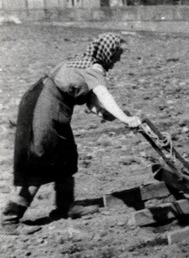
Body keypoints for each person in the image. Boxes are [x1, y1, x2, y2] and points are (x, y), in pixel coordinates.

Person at [1, 32, 141, 234]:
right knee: (38, 160)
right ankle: (9, 221)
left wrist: (109, 114)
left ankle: (65, 206)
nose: (119, 58)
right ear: (109, 52)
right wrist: (126, 119)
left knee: (66, 155)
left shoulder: (82, 64)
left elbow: (92, 102)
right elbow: (103, 95)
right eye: (118, 53)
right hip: (44, 108)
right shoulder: (93, 68)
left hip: (50, 106)